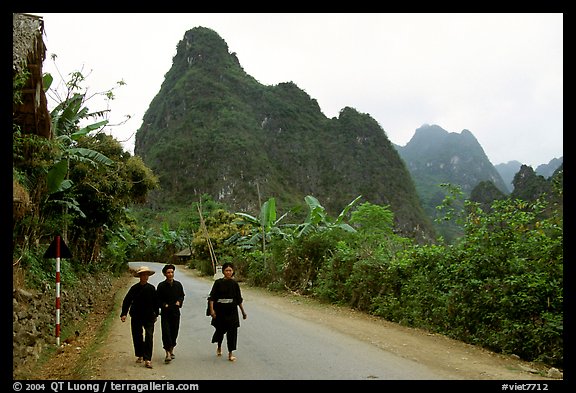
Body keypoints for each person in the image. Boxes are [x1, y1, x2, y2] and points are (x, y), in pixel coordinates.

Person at [120, 266, 159, 369]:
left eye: (146, 274)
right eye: (143, 275)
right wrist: (124, 313)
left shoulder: (151, 288)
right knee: (137, 336)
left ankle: (148, 359)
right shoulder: (134, 288)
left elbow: (156, 302)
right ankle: (140, 354)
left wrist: (156, 313)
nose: (145, 276)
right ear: (140, 276)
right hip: (136, 315)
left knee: (149, 336)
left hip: (149, 316)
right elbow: (127, 301)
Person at [208, 262, 247, 361]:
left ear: (233, 272)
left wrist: (243, 312)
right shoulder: (218, 283)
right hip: (220, 310)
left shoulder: (235, 284)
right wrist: (212, 310)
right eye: (226, 270)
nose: (228, 272)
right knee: (220, 330)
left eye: (230, 270)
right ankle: (219, 346)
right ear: (223, 272)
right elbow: (212, 297)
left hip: (232, 311)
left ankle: (230, 353)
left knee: (232, 332)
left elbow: (238, 299)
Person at [156, 263, 185, 364]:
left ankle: (171, 350)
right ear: (164, 274)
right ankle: (167, 353)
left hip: (175, 313)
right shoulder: (161, 286)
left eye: (172, 272)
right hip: (165, 313)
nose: (170, 274)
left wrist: (179, 302)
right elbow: (157, 299)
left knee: (174, 332)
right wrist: (164, 305)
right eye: (168, 272)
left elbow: (182, 295)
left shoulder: (178, 285)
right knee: (166, 332)